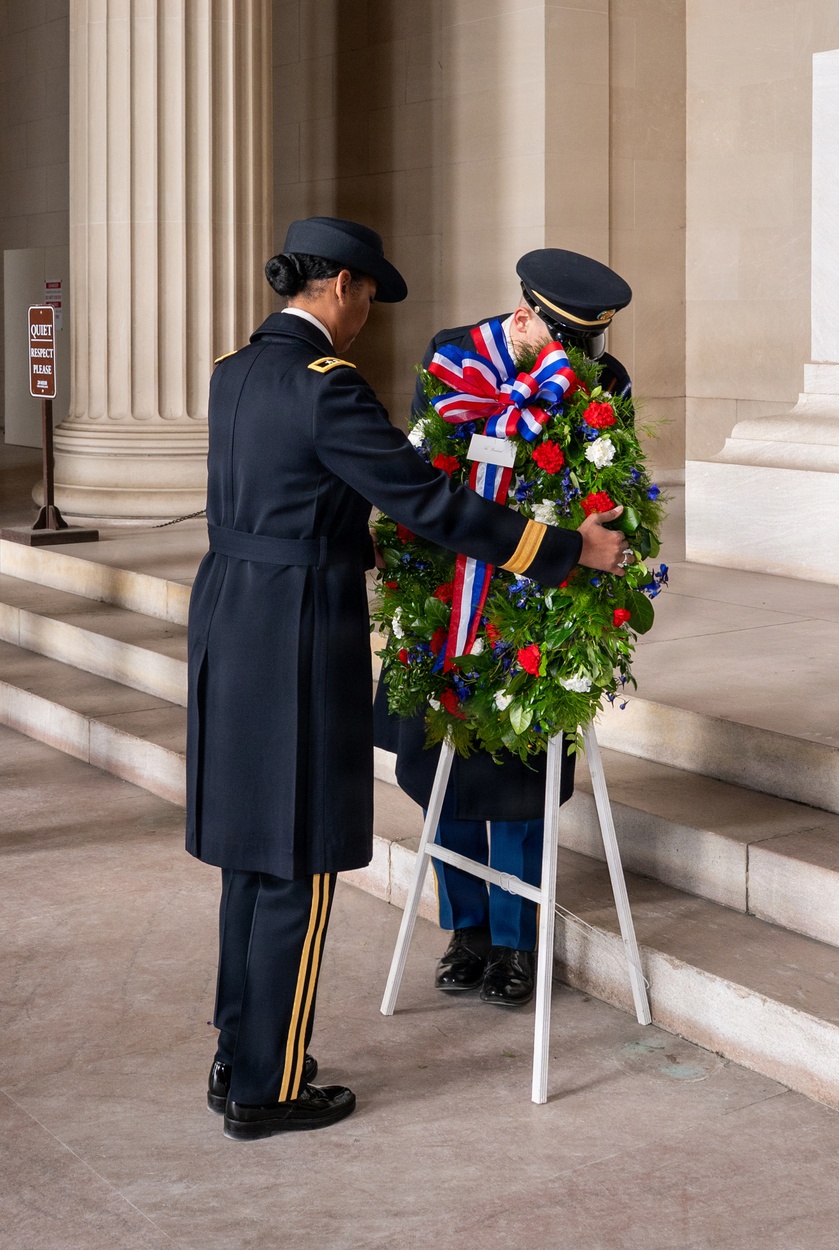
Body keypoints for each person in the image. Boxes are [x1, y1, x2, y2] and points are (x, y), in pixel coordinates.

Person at [185, 219, 631, 1141]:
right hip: (298, 629)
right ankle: (268, 1090)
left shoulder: (236, 368)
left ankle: (240, 1052)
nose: (365, 324)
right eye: (366, 301)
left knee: (247, 859)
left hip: (229, 619)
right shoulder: (327, 389)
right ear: (340, 287)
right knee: (299, 864)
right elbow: (423, 498)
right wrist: (564, 549)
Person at [377, 248, 634, 1008]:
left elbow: (610, 481)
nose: (575, 362)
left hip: (539, 604)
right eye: (559, 342)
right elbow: (427, 468)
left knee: (521, 783)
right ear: (525, 315)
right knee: (443, 780)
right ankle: (467, 928)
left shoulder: (604, 383)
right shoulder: (455, 355)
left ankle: (519, 941)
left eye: (581, 349)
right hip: (450, 598)